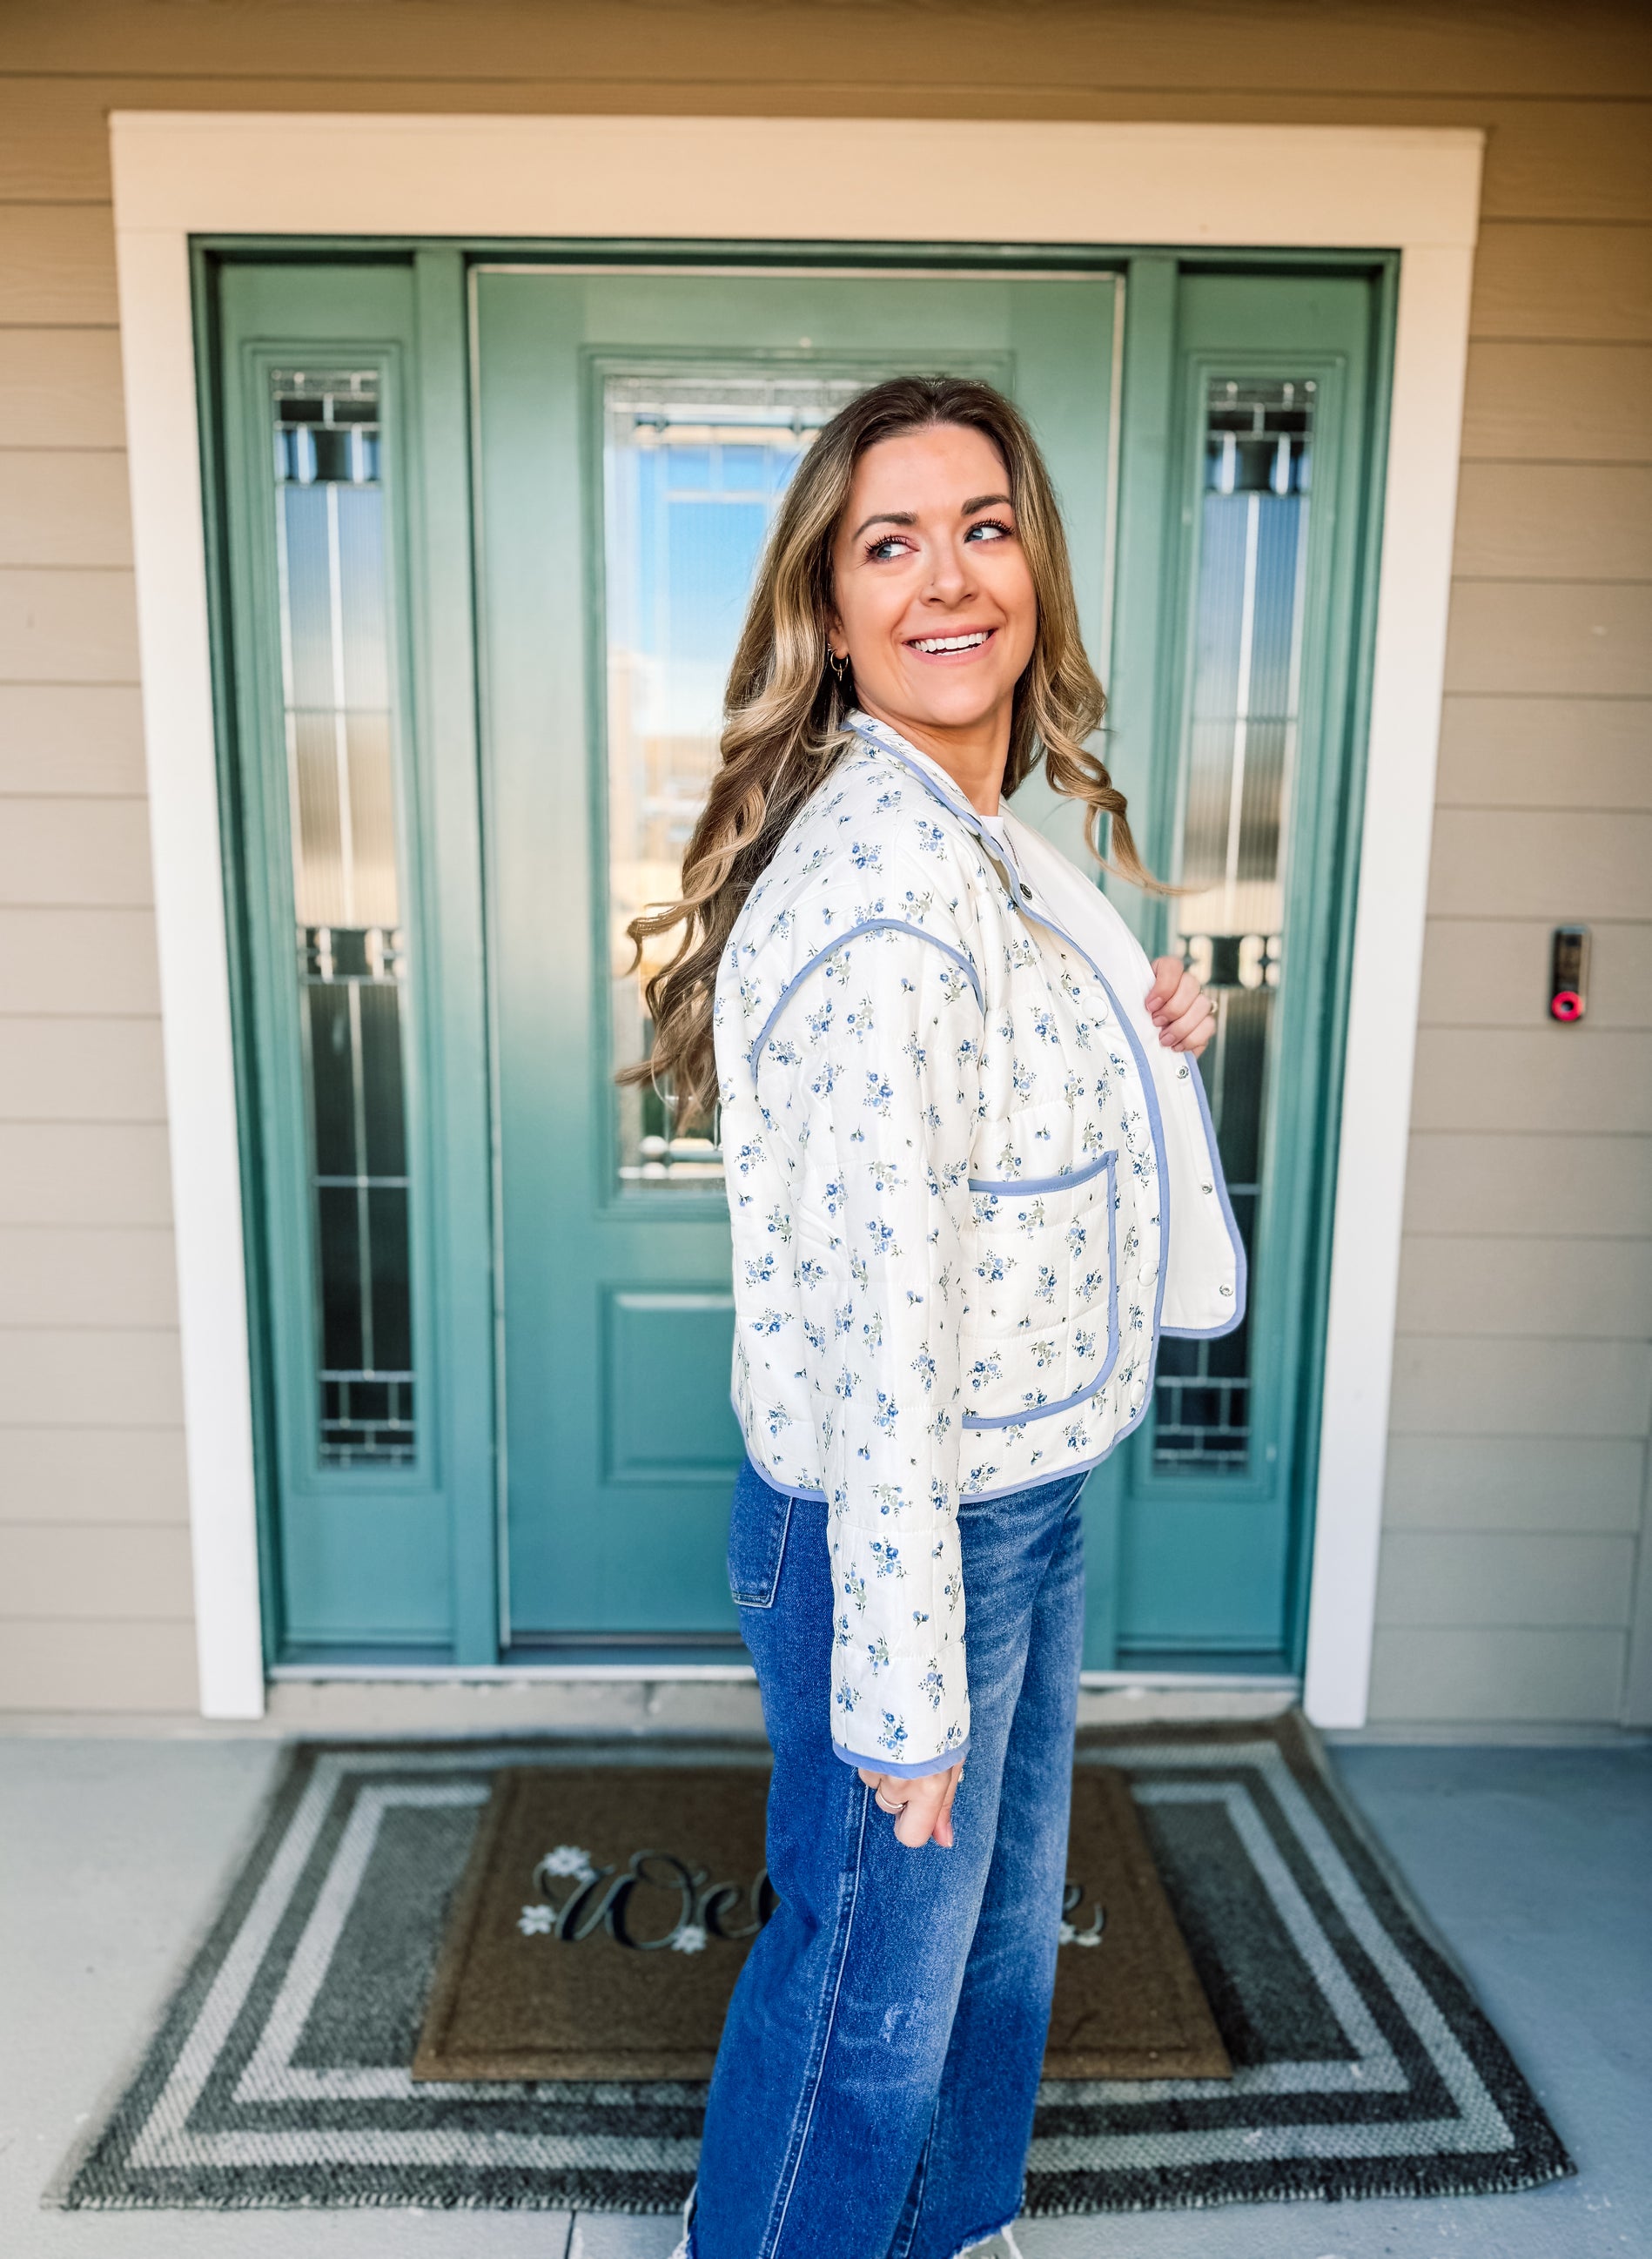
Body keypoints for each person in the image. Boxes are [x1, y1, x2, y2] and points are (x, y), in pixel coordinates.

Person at [624, 375, 1243, 2259]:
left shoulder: (980, 837)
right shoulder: (888, 886)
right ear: (829, 607)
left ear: (1030, 566)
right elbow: (889, 1332)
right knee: (861, 2012)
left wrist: (1133, 1046)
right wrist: (903, 1679)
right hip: (914, 1524)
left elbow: (984, 1152)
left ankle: (953, 2237)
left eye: (982, 525)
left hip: (1011, 1496)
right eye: (888, 542)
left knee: (984, 1957)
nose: (947, 577)